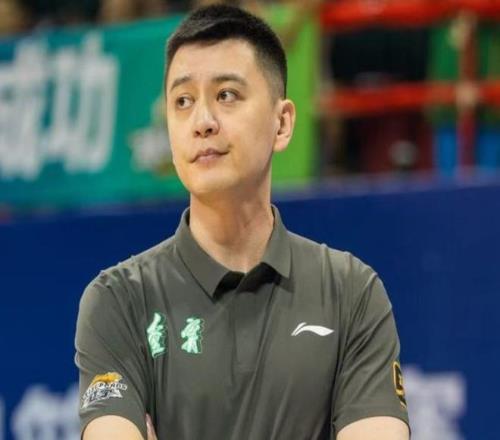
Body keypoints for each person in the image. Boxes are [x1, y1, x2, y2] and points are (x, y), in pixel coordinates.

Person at [75, 5, 410, 439]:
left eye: (227, 95)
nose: (202, 122)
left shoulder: (351, 293)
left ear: (282, 123)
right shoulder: (118, 300)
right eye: (182, 101)